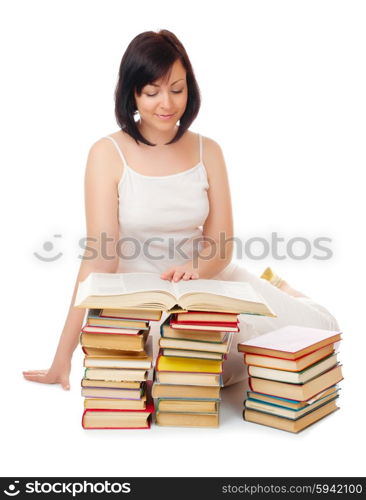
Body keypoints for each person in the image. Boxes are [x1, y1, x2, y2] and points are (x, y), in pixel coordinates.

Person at [23, 30, 339, 390]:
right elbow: (100, 258)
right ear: (132, 94)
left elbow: (220, 246)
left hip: (209, 279)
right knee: (192, 369)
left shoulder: (209, 151)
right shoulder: (107, 153)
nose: (166, 103)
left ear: (190, 89)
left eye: (177, 89)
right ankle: (264, 296)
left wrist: (195, 268)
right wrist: (62, 357)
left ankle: (278, 288)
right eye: (152, 91)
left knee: (322, 328)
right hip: (145, 299)